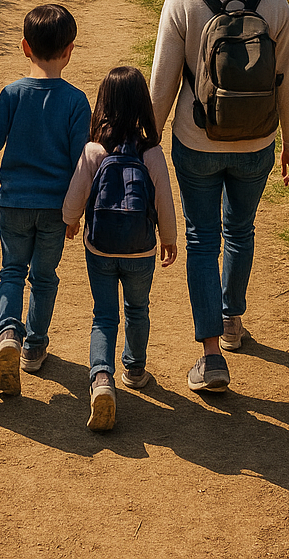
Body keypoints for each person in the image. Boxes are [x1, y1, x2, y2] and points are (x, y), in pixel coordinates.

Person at [149, 0, 289, 394]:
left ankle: (211, 355)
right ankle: (233, 320)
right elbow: (286, 81)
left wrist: (146, 143)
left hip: (197, 140)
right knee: (241, 229)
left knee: (201, 239)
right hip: (257, 141)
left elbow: (163, 83)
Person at [0, 4, 90, 395]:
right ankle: (34, 347)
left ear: (24, 47)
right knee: (44, 277)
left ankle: (8, 332)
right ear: (69, 51)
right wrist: (75, 213)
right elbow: (81, 164)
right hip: (55, 209)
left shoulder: (12, 93)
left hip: (14, 204)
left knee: (11, 271)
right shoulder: (76, 102)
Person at [63, 66, 177, 432]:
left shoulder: (95, 150)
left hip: (100, 247)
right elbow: (163, 201)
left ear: (104, 103)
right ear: (143, 103)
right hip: (140, 250)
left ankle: (100, 378)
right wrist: (169, 238)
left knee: (104, 314)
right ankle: (135, 369)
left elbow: (74, 197)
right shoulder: (151, 152)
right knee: (137, 308)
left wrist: (71, 221)